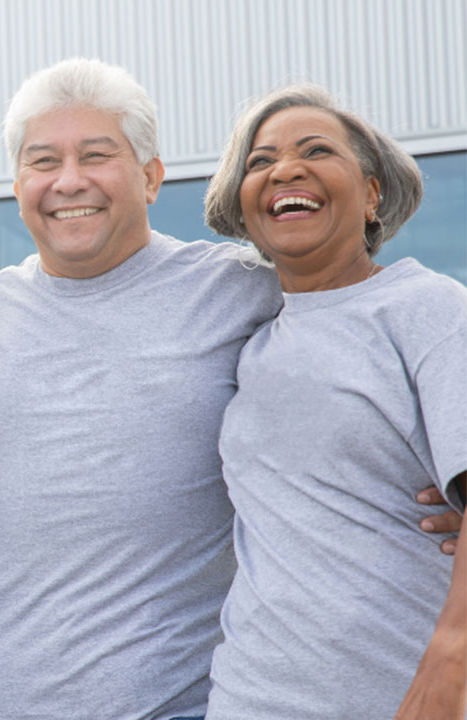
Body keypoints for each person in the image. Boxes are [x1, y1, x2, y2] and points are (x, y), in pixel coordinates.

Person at [0, 58, 460, 719]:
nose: (69, 180)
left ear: (152, 177)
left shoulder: (243, 288)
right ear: (18, 185)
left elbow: (356, 322)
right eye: (44, 161)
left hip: (183, 704)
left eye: (96, 155)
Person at [202, 83, 466, 720]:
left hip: (401, 695)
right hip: (248, 698)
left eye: (316, 150)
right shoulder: (251, 343)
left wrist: (450, 670)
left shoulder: (428, 308)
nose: (285, 169)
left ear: (373, 193)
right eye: (260, 162)